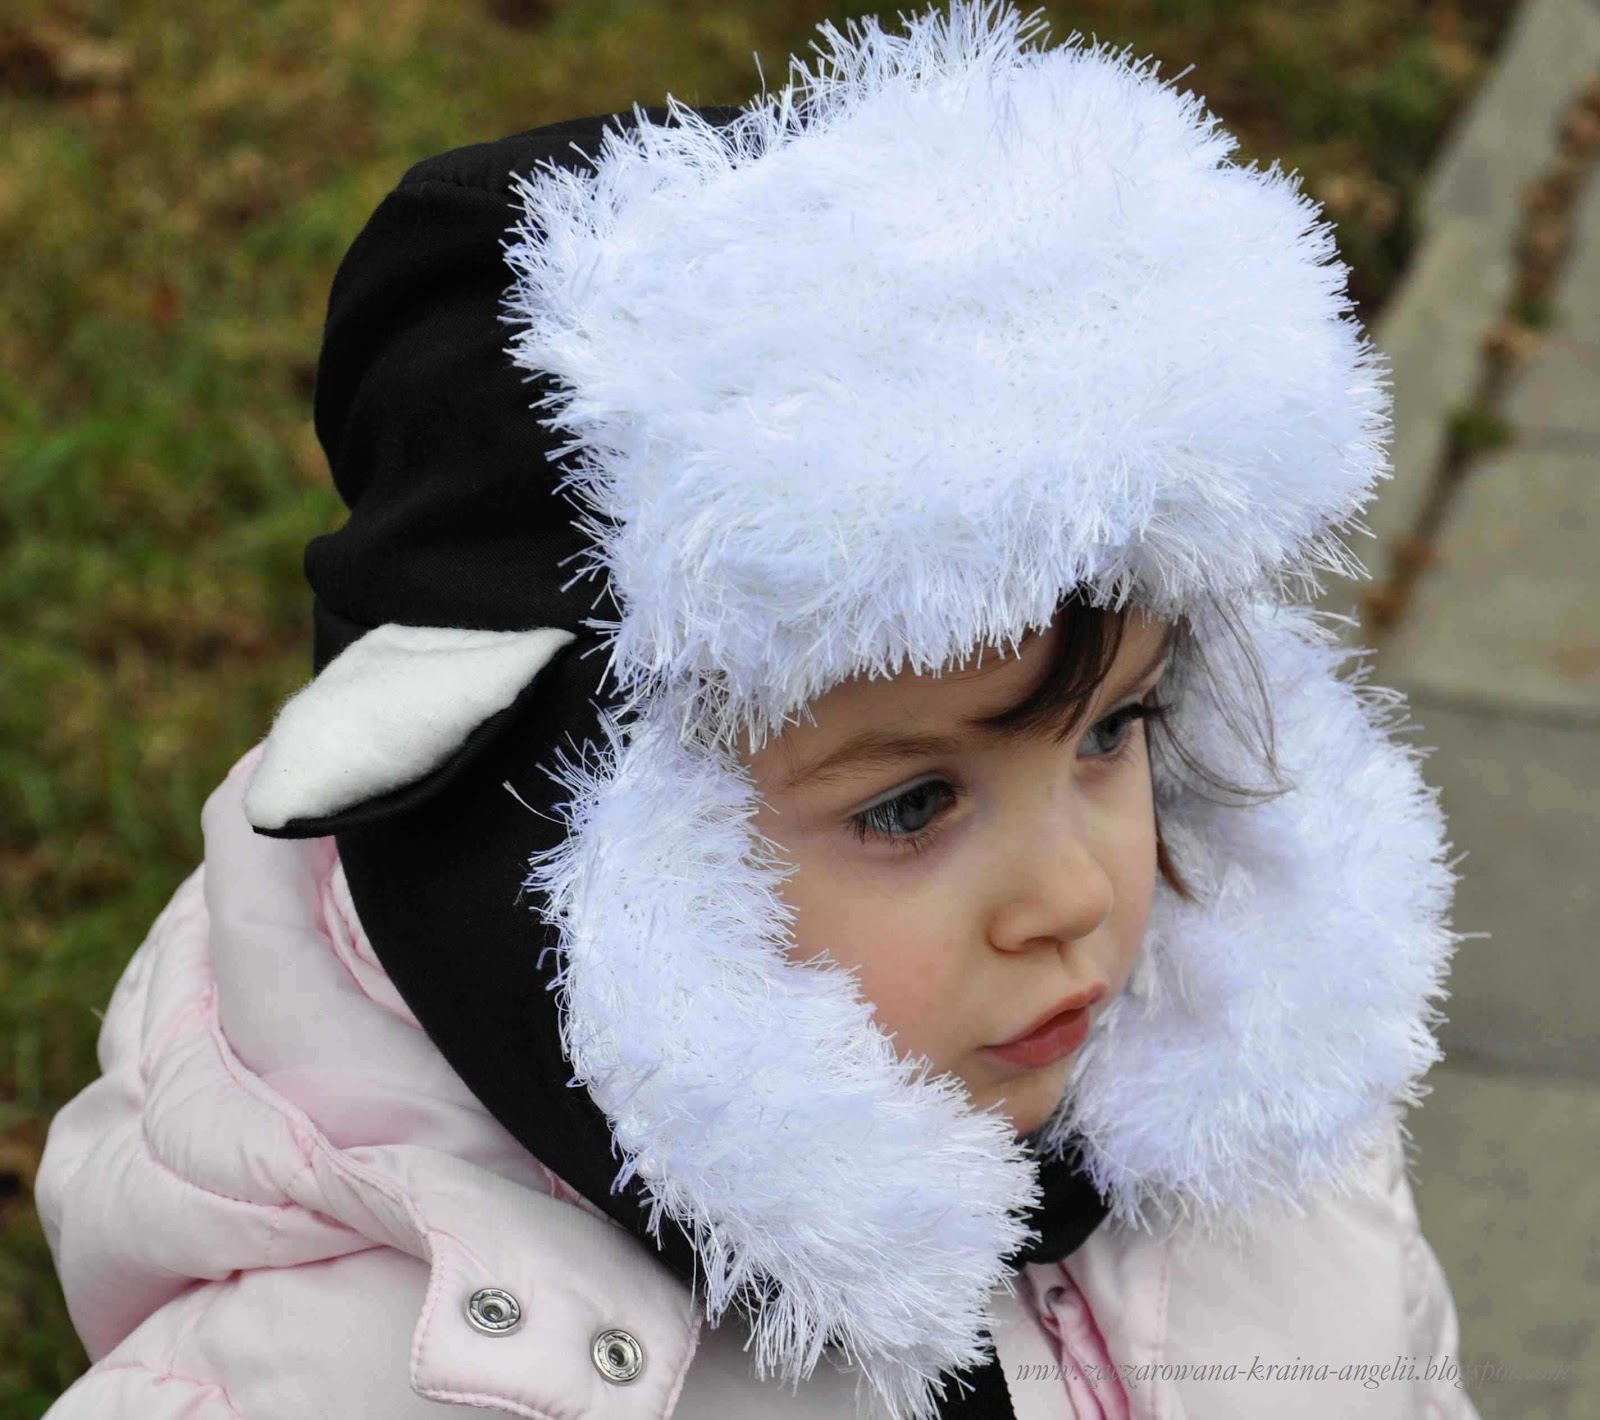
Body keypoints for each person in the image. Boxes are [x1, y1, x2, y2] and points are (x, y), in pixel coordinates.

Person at [32, 2, 1480, 1416]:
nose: (1078, 895)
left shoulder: (1275, 1175)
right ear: (553, 872)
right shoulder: (348, 1380)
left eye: (1113, 730)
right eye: (911, 805)